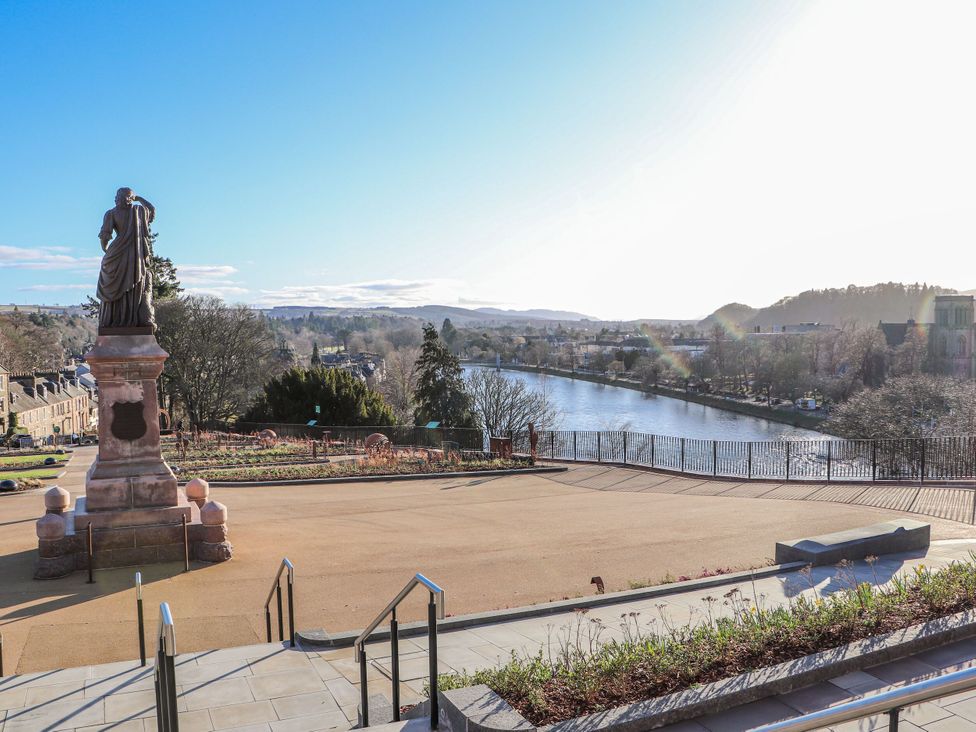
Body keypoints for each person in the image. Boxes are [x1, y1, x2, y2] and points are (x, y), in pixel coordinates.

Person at [97, 187, 156, 329]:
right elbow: (152, 211)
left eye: (121, 197)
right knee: (132, 284)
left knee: (132, 284)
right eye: (118, 197)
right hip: (132, 252)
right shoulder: (138, 211)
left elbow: (105, 235)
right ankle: (124, 320)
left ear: (128, 199)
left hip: (128, 252)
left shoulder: (131, 211)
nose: (117, 199)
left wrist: (105, 249)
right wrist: (140, 199)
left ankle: (119, 320)